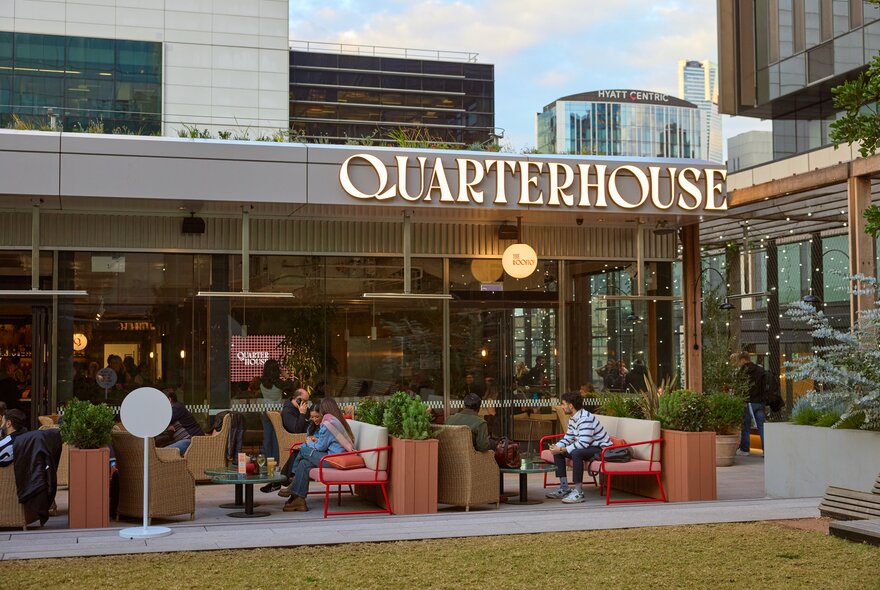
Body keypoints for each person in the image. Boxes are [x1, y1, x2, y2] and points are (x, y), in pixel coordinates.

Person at [283, 397, 355, 512]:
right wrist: (316, 441)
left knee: (304, 450)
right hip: (338, 457)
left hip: (334, 460)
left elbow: (321, 447)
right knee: (304, 463)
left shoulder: (328, 424)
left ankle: (293, 483)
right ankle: (299, 501)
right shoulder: (337, 421)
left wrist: (310, 442)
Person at [545, 392, 612, 504]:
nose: (561, 407)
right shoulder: (573, 418)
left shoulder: (585, 418)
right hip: (588, 447)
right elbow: (568, 437)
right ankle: (564, 487)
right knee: (558, 453)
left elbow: (583, 444)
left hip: (600, 449)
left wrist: (561, 449)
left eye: (563, 404)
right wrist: (557, 447)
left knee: (576, 453)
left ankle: (579, 492)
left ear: (571, 406)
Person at [261, 388, 310, 493]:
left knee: (297, 453)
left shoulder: (300, 408)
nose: (306, 404)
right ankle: (281, 480)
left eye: (307, 401)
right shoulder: (288, 412)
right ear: (297, 399)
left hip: (308, 437)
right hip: (297, 437)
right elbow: (296, 430)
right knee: (298, 452)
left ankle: (280, 481)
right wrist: (302, 414)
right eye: (305, 401)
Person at [737, 352, 766, 457]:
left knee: (746, 426)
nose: (739, 363)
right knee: (762, 427)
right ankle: (766, 450)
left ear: (743, 360)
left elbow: (739, 387)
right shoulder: (760, 369)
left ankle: (745, 449)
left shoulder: (743, 371)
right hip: (760, 402)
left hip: (748, 402)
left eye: (739, 361)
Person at [164, 390, 204, 455]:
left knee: (163, 452)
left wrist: (167, 425)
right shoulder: (175, 408)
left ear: (169, 399)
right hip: (186, 440)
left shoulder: (176, 408)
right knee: (161, 448)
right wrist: (168, 425)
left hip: (191, 441)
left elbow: (163, 422)